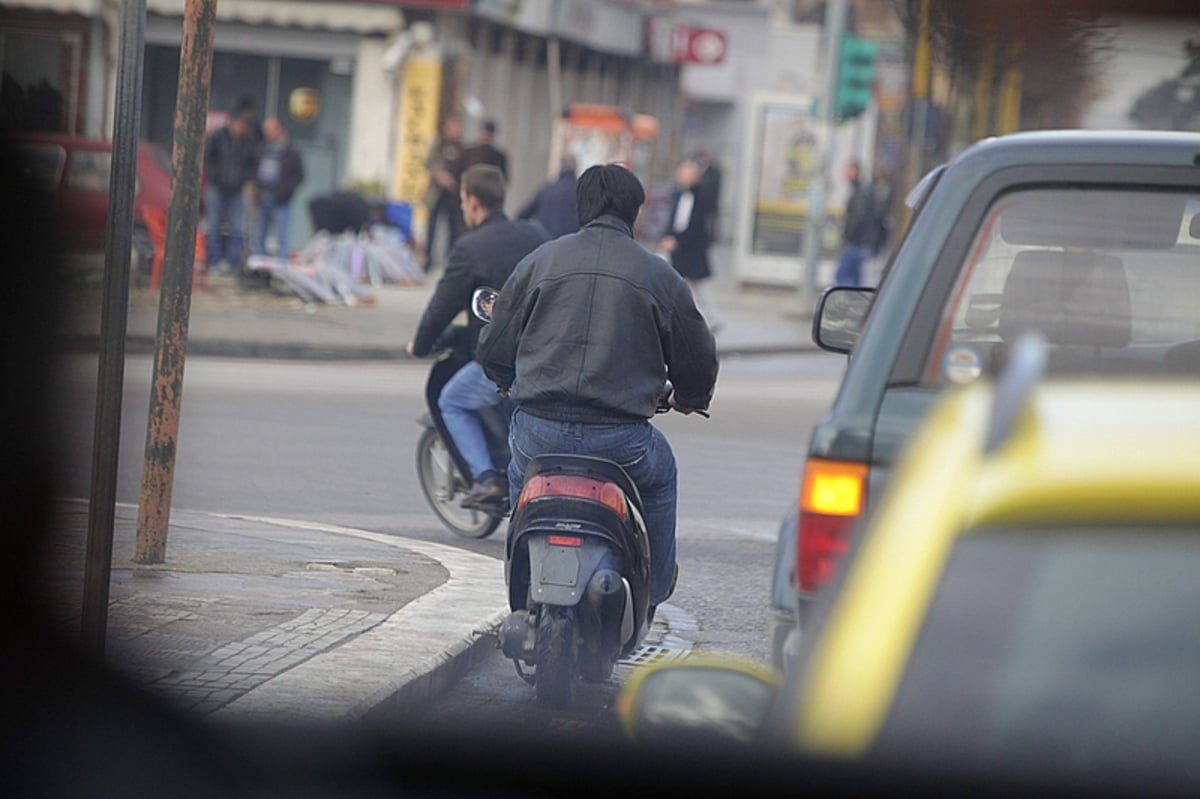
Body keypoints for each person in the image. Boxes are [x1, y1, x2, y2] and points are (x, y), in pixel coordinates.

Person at [477, 163, 719, 614]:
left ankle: (522, 575)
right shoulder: (658, 276)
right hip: (621, 442)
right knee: (661, 475)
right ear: (636, 213)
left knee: (518, 472)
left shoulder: (539, 262)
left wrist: (507, 383)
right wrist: (688, 398)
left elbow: (494, 345)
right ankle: (659, 584)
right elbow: (697, 357)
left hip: (538, 435)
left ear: (580, 207)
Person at [407, 164, 549, 508]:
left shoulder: (470, 248)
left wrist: (420, 345)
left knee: (451, 400)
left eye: (460, 200)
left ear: (471, 201)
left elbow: (440, 307)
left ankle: (487, 479)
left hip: (502, 361)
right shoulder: (537, 236)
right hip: (546, 355)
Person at [659, 159, 724, 334]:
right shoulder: (677, 194)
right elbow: (673, 219)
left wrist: (677, 239)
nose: (681, 177)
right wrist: (667, 236)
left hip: (691, 248)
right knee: (672, 282)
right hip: (677, 247)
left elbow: (695, 224)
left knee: (698, 285)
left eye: (686, 173)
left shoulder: (701, 196)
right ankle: (672, 317)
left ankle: (713, 317)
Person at [203, 106, 259, 275]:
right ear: (233, 123)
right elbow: (208, 159)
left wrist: (245, 180)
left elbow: (252, 164)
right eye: (241, 125)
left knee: (238, 227)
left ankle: (233, 262)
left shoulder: (248, 141)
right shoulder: (217, 137)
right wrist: (215, 176)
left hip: (237, 189)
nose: (242, 130)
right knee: (214, 225)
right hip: (216, 187)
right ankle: (214, 261)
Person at [252, 117, 305, 263]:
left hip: (282, 197)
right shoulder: (262, 148)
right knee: (261, 230)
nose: (267, 135)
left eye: (269, 131)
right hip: (264, 195)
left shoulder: (291, 150)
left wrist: (285, 191)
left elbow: (299, 175)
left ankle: (281, 261)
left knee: (282, 231)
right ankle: (259, 258)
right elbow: (254, 169)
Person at [423, 114, 467, 273]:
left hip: (454, 194)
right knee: (432, 226)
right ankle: (428, 259)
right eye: (452, 127)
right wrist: (440, 175)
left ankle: (449, 260)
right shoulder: (438, 144)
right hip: (437, 192)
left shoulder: (462, 147)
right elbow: (429, 162)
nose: (455, 131)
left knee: (453, 227)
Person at [834, 160, 877, 287]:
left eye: (849, 171)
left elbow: (858, 218)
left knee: (842, 276)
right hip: (860, 243)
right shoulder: (860, 191)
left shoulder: (860, 192)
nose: (846, 174)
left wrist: (848, 236)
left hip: (856, 243)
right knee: (855, 279)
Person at [516, 154, 578, 239]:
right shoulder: (581, 193)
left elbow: (521, 216)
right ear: (575, 168)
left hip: (545, 243)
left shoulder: (546, 190)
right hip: (571, 244)